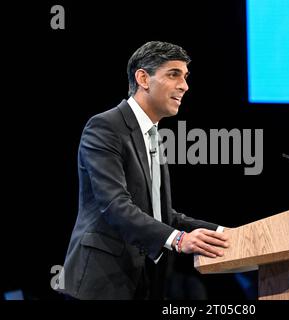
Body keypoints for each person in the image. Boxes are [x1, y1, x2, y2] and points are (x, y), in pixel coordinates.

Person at [56, 41, 229, 300]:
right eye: (174, 74)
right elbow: (115, 205)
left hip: (144, 284)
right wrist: (179, 239)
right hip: (98, 285)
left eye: (185, 77)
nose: (184, 85)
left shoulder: (153, 135)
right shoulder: (105, 127)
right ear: (143, 78)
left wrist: (224, 234)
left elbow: (160, 214)